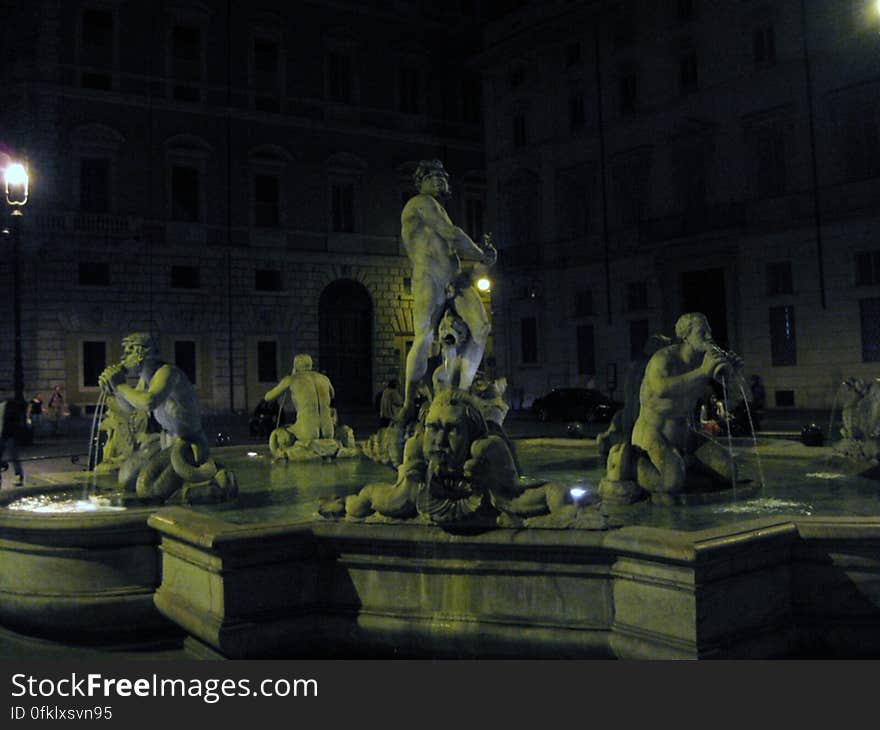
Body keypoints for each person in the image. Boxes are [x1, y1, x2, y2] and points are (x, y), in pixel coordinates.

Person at [399, 159, 497, 421]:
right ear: (420, 182)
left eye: (442, 177)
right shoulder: (419, 203)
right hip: (429, 278)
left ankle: (462, 392)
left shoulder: (439, 207)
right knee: (423, 337)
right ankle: (409, 402)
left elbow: (451, 242)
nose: (438, 180)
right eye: (431, 176)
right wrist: (480, 254)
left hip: (455, 278)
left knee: (481, 328)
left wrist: (480, 259)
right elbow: (450, 234)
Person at [99, 332, 232, 502]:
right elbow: (131, 406)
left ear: (142, 353)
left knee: (147, 489)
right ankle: (191, 485)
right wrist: (115, 389)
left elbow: (148, 402)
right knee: (126, 478)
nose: (123, 357)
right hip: (165, 440)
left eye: (128, 351)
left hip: (187, 444)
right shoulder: (146, 378)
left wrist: (121, 385)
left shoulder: (167, 372)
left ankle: (205, 488)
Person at [630, 312, 741, 495]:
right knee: (671, 483)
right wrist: (703, 373)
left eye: (709, 332)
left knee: (730, 472)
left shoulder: (703, 362)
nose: (709, 337)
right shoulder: (664, 358)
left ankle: (684, 465)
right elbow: (662, 388)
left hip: (685, 436)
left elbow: (738, 398)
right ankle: (634, 465)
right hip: (653, 433)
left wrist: (733, 376)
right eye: (702, 332)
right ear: (685, 336)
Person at [263, 353, 335, 455]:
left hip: (307, 431)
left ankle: (282, 457)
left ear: (295, 365)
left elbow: (268, 397)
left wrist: (292, 377)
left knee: (280, 432)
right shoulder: (324, 378)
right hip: (328, 430)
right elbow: (332, 394)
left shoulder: (292, 379)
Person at [0, 394, 26, 487]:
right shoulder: (7, 406)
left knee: (14, 456)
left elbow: (15, 421)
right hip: (4, 435)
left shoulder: (11, 406)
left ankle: (19, 476)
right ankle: (18, 476)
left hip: (9, 435)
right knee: (14, 456)